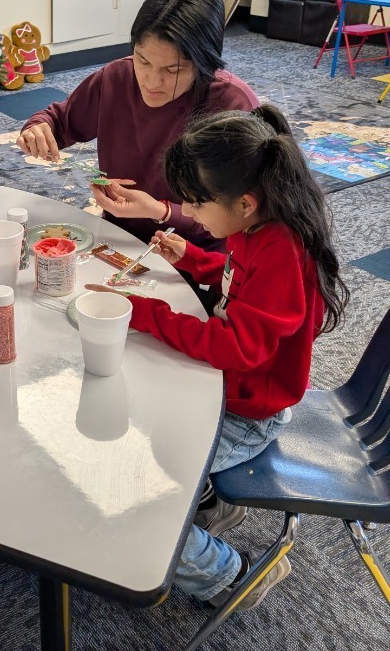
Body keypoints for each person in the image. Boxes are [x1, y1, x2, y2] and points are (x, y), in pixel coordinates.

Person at [124, 104, 349, 609]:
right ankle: (209, 500)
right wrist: (194, 259)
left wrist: (148, 313)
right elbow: (236, 280)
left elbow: (235, 347)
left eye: (197, 206)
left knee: (140, 499)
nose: (192, 215)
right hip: (232, 391)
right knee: (139, 405)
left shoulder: (283, 253)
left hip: (249, 412)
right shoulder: (257, 228)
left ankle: (231, 575)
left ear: (244, 203)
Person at [16, 0, 259, 251]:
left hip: (197, 254)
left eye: (173, 70)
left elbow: (241, 215)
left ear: (205, 63)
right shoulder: (117, 77)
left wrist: (161, 211)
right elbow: (59, 120)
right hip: (119, 238)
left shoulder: (232, 106)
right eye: (143, 60)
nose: (152, 82)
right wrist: (38, 128)